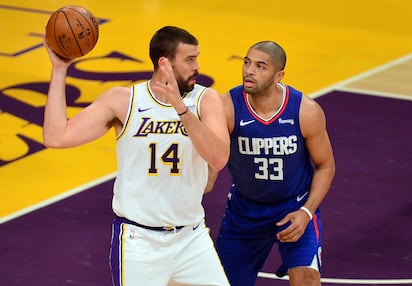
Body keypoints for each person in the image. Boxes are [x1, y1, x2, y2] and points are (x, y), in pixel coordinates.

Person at [43, 26, 230, 286]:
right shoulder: (124, 100)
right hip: (140, 241)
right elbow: (55, 137)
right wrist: (59, 70)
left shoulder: (205, 100)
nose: (197, 66)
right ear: (165, 63)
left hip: (191, 237)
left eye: (196, 58)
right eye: (189, 59)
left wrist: (180, 107)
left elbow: (219, 158)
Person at [212, 41, 336, 286]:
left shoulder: (305, 111)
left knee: (307, 279)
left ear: (279, 75)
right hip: (244, 212)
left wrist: (306, 212)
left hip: (294, 208)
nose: (249, 70)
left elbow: (326, 166)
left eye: (260, 66)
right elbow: (210, 162)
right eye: (247, 62)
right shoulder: (226, 107)